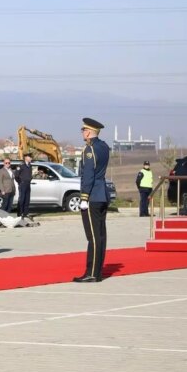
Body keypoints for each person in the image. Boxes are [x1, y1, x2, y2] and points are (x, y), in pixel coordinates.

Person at [74, 118, 110, 283]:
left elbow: (88, 175)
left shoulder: (89, 149)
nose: (82, 133)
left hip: (92, 196)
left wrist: (83, 197)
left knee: (93, 237)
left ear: (88, 132)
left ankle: (92, 273)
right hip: (102, 194)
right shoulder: (104, 147)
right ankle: (98, 270)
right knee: (101, 235)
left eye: (83, 130)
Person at [15, 152, 33, 218]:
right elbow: (16, 176)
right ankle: (20, 213)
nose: (31, 158)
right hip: (22, 184)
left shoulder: (30, 165)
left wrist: (30, 178)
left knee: (27, 199)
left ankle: (26, 213)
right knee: (22, 199)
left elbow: (30, 175)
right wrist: (20, 182)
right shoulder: (21, 165)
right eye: (30, 157)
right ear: (26, 158)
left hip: (28, 184)